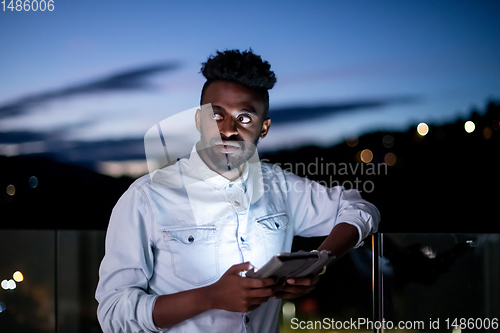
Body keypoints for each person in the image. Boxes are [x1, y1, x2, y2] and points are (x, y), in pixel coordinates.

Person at [96, 49, 380, 332]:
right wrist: (209, 297)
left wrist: (317, 263)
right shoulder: (146, 196)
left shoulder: (280, 187)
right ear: (198, 121)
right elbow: (113, 314)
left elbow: (360, 209)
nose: (228, 130)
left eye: (244, 118)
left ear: (264, 128)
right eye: (216, 116)